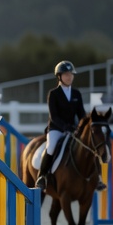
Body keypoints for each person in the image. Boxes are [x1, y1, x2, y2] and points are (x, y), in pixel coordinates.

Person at [36, 60, 87, 190]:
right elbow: (54, 116)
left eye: (71, 74)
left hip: (73, 129)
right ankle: (42, 176)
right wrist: (65, 127)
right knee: (51, 146)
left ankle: (95, 177)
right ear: (59, 76)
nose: (69, 77)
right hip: (56, 128)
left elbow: (81, 114)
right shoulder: (53, 94)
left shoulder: (76, 93)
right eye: (66, 74)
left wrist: (85, 125)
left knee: (88, 145)